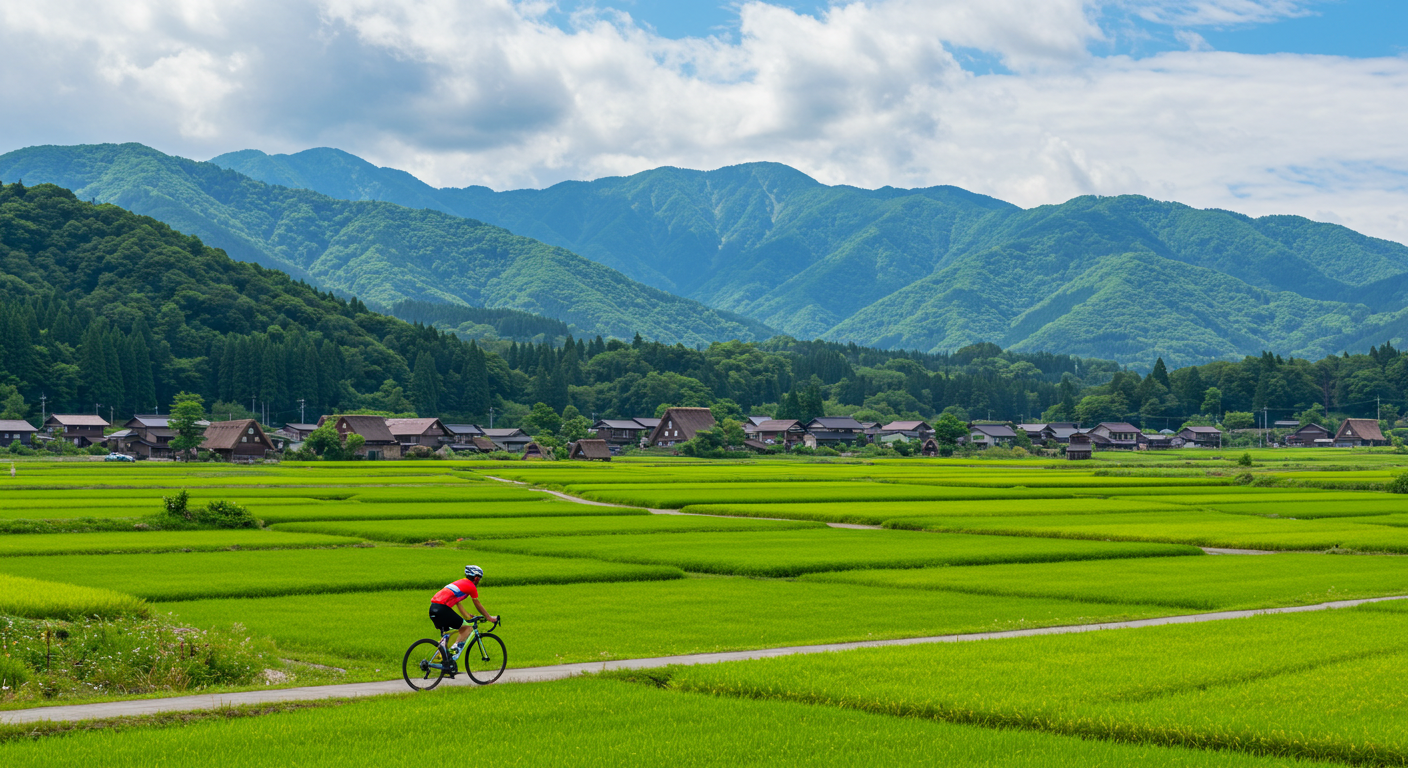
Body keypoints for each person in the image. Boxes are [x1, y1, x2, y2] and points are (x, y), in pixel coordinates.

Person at [429, 565, 499, 660]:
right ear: (476, 578)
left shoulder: (460, 583)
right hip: (442, 609)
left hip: (433, 608)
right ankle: (453, 652)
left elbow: (457, 602)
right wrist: (489, 617)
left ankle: (443, 660)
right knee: (467, 629)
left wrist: (467, 616)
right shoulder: (471, 586)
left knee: (449, 633)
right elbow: (477, 603)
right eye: (479, 579)